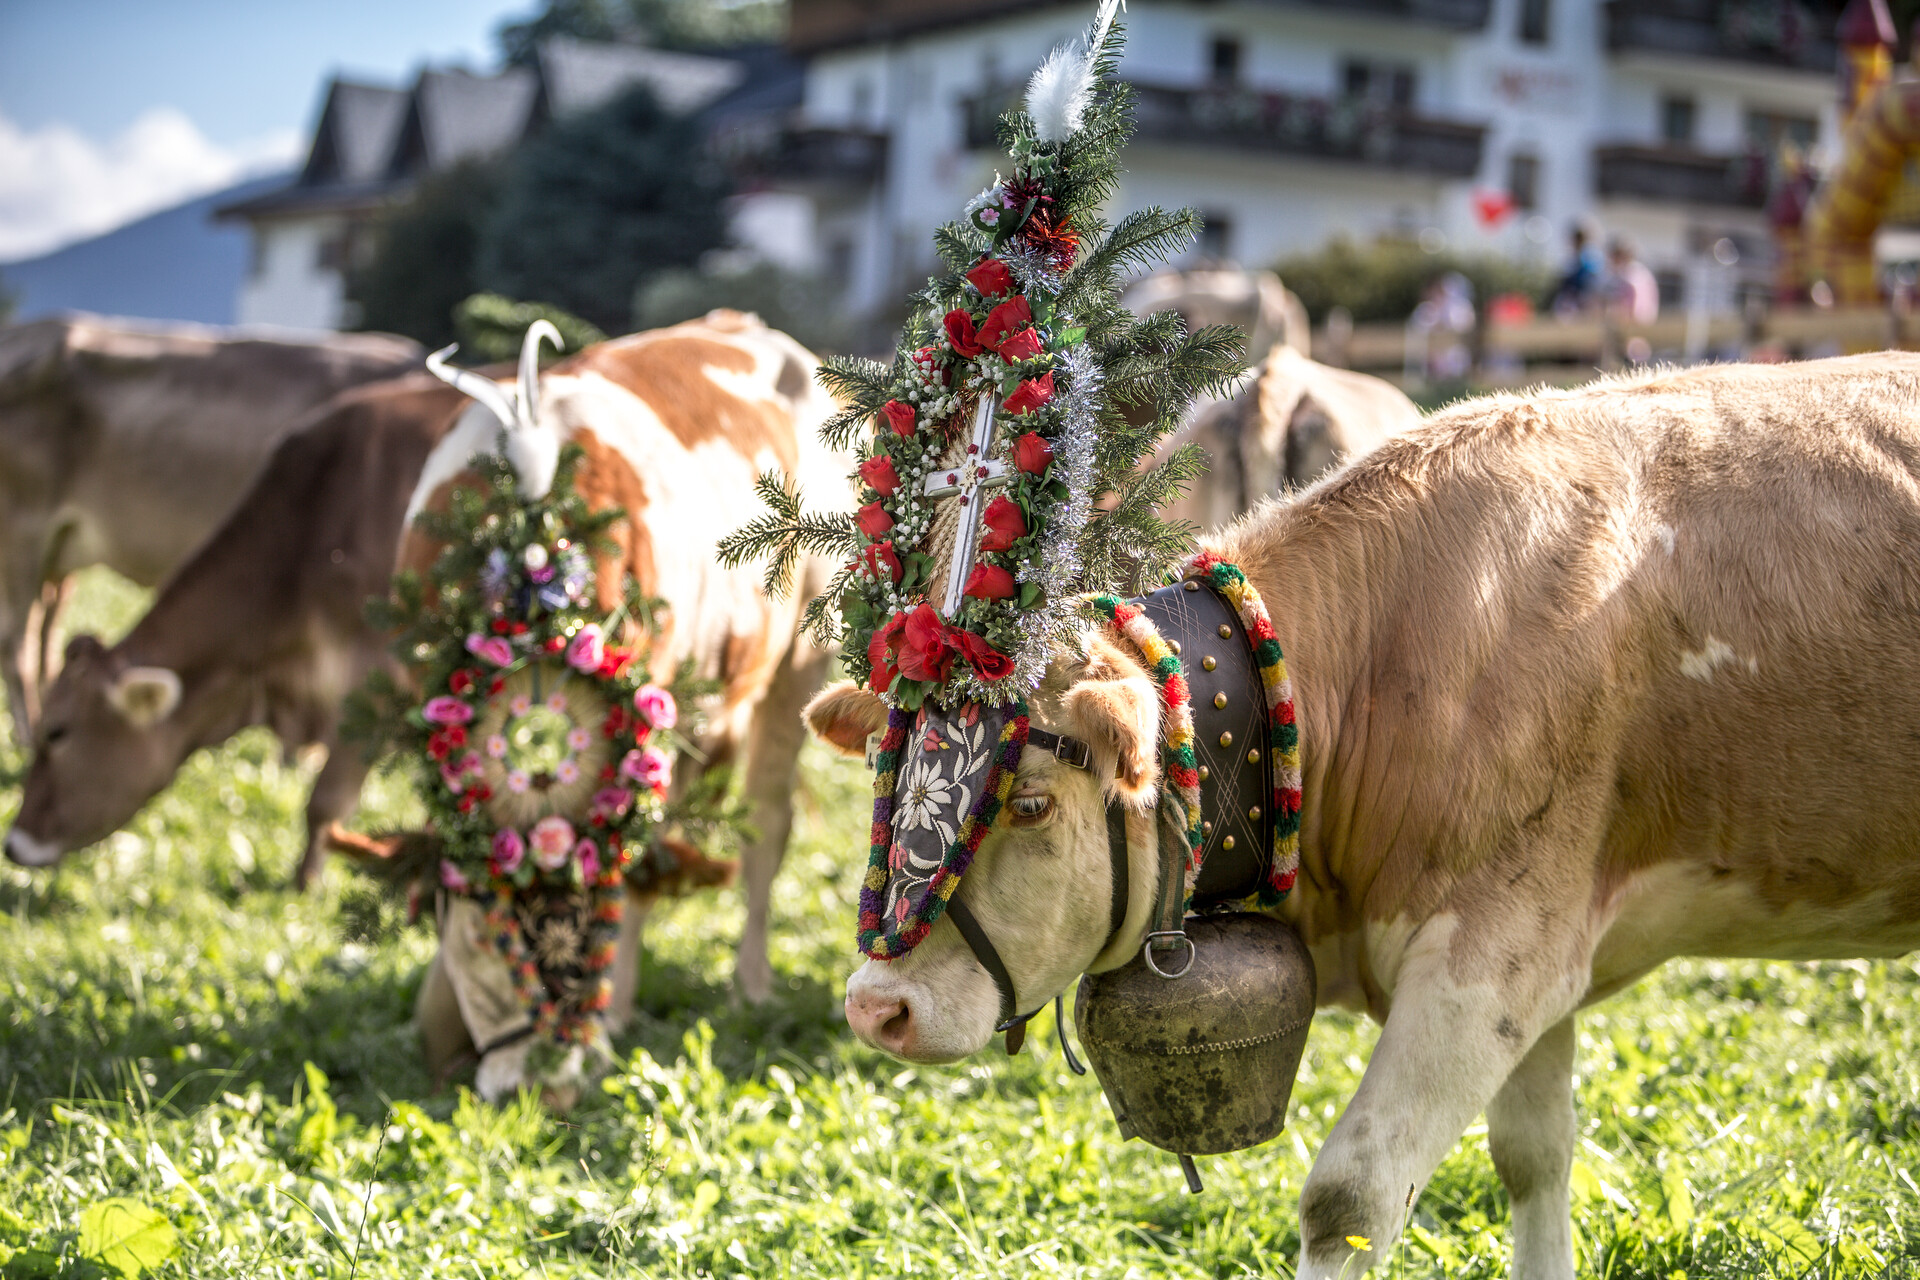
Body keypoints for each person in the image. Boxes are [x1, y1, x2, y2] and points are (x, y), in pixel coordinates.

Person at [1549, 223, 1603, 316]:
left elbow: (1593, 277)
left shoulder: (1590, 256)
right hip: (1572, 292)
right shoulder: (1573, 256)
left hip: (1584, 292)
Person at [1604, 236, 1659, 325]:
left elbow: (1632, 309)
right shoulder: (1642, 272)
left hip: (1634, 325)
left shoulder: (1629, 276)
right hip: (1647, 323)